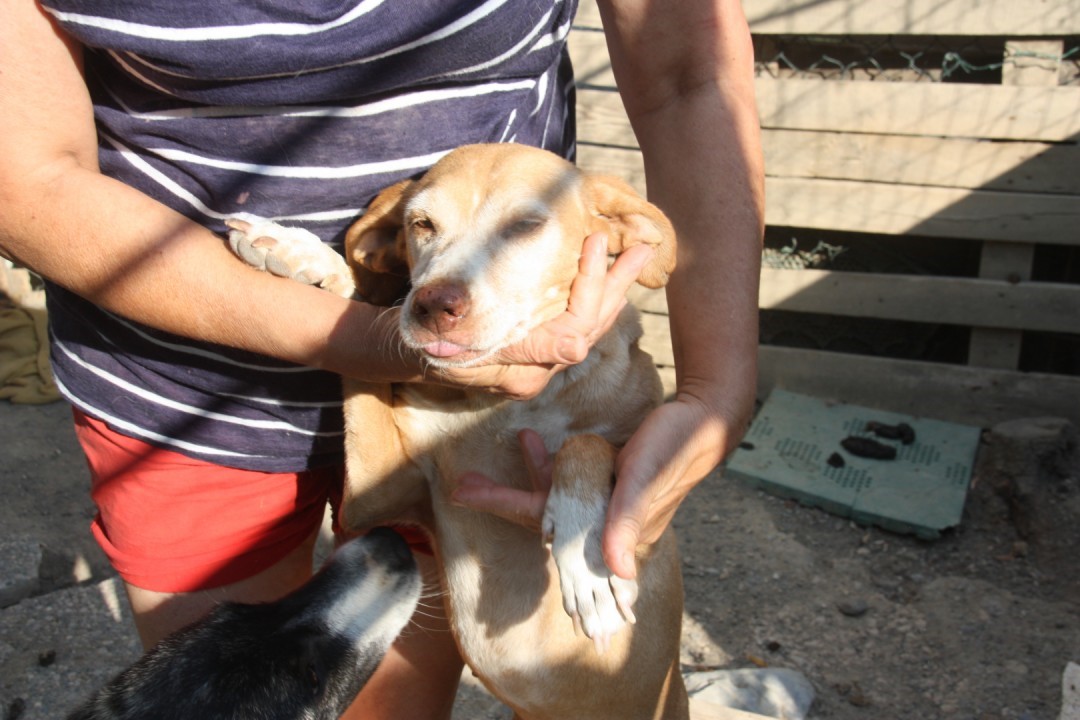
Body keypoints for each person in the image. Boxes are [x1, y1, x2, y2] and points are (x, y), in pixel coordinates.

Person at [0, 1, 763, 718]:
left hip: (463, 391)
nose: (452, 275)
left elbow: (689, 72)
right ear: (391, 239)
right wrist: (358, 325)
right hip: (181, 385)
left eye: (523, 226)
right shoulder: (392, 296)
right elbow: (24, 180)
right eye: (423, 227)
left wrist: (716, 392)